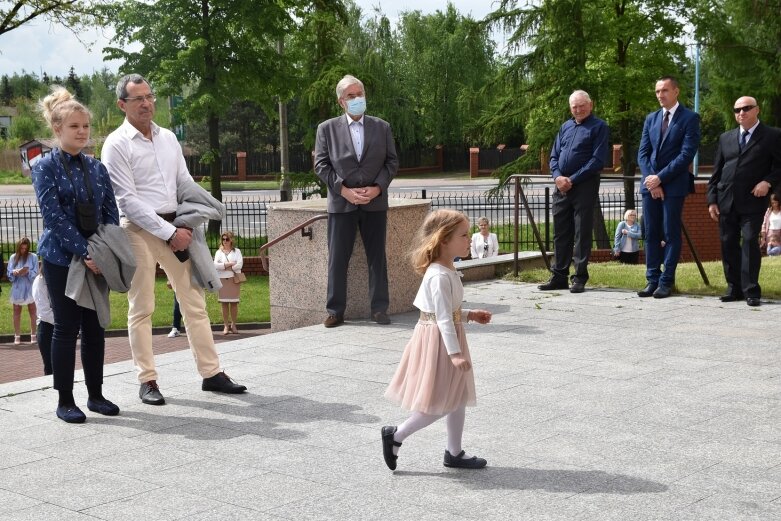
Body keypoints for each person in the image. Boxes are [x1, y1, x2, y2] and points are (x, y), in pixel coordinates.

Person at [102, 73, 246, 405]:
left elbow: (183, 182)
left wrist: (187, 225)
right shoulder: (116, 144)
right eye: (138, 99)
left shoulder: (168, 138)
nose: (147, 103)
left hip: (177, 229)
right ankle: (147, 380)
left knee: (194, 302)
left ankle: (211, 374)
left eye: (150, 97)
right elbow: (126, 200)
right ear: (122, 104)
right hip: (137, 231)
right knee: (142, 307)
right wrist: (170, 233)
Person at [32, 86, 120, 423]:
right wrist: (84, 252)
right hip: (60, 258)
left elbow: (110, 212)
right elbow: (53, 217)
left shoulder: (97, 168)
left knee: (95, 327)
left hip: (97, 257)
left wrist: (103, 251)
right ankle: (65, 400)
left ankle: (96, 395)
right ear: (57, 129)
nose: (82, 132)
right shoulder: (44, 167)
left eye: (85, 126)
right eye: (74, 127)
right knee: (66, 328)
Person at [382, 209, 492, 471]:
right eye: (464, 235)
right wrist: (454, 353)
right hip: (441, 341)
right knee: (441, 400)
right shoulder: (440, 275)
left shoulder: (447, 269)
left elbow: (444, 312)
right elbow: (441, 318)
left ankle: (454, 452)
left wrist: (469, 315)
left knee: (458, 396)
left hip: (447, 335)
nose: (470, 239)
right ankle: (395, 435)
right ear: (444, 240)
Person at [314, 74, 399, 328]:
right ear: (341, 102)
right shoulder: (326, 129)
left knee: (377, 258)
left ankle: (379, 308)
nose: (357, 99)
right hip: (342, 204)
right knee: (338, 258)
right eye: (351, 96)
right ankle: (335, 310)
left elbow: (391, 162)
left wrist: (377, 188)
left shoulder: (381, 127)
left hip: (375, 203)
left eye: (359, 94)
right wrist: (344, 191)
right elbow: (321, 165)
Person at [707, 96, 781, 307]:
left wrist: (767, 182)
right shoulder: (725, 138)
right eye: (737, 109)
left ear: (757, 110)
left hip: (753, 201)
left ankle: (751, 291)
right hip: (725, 201)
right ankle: (734, 288)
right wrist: (712, 200)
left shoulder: (773, 135)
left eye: (746, 108)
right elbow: (716, 172)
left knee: (749, 241)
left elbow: (779, 167)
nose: (741, 113)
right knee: (727, 243)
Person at [538, 90, 609, 294]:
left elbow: (597, 160)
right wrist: (558, 177)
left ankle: (579, 277)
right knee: (560, 233)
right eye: (574, 107)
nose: (578, 110)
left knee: (581, 233)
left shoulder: (599, 127)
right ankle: (559, 276)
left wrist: (572, 179)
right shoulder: (565, 127)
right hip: (561, 187)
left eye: (581, 105)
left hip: (584, 186)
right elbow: (553, 156)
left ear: (590, 104)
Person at [637, 76, 701, 299]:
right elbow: (642, 153)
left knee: (670, 233)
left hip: (673, 186)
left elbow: (686, 155)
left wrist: (660, 179)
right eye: (657, 91)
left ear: (676, 91)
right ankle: (652, 279)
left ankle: (666, 281)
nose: (660, 95)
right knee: (651, 233)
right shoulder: (651, 119)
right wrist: (651, 180)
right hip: (650, 186)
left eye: (664, 90)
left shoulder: (690, 118)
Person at [7, 237, 38, 345]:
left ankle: (33, 334)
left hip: (29, 286)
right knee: (16, 310)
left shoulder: (33, 257)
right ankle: (17, 335)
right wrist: (14, 273)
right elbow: (9, 273)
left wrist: (28, 272)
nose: (23, 250)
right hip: (18, 287)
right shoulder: (13, 257)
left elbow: (35, 272)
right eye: (21, 248)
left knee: (32, 310)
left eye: (25, 248)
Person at [214, 231, 243, 335]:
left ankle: (233, 325)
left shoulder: (237, 251)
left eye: (227, 239)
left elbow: (239, 265)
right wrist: (229, 264)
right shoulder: (219, 252)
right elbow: (216, 266)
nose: (225, 241)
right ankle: (226, 326)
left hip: (234, 280)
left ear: (231, 240)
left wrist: (224, 266)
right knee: (224, 303)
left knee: (234, 303)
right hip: (222, 280)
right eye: (223, 239)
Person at [32, 265, 54, 375]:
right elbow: (44, 312)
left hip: (61, 326)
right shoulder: (40, 281)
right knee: (50, 367)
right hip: (47, 328)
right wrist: (64, 323)